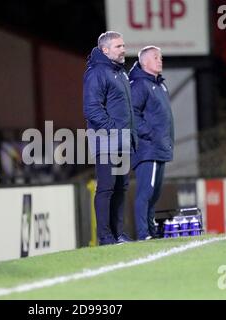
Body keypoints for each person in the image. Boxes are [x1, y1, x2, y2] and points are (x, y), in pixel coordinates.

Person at [83, 31, 136, 245]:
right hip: (106, 141)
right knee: (106, 187)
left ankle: (118, 233)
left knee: (121, 186)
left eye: (123, 45)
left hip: (122, 140)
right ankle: (105, 236)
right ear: (105, 50)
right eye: (118, 46)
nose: (123, 49)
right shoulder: (96, 72)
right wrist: (113, 129)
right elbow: (91, 109)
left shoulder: (120, 73)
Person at [129, 46, 174, 240]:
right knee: (146, 192)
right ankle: (143, 233)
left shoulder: (160, 85)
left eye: (161, 57)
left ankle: (150, 230)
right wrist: (150, 134)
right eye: (156, 57)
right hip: (148, 148)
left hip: (159, 147)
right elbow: (131, 114)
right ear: (144, 62)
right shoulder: (139, 85)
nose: (160, 60)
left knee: (154, 194)